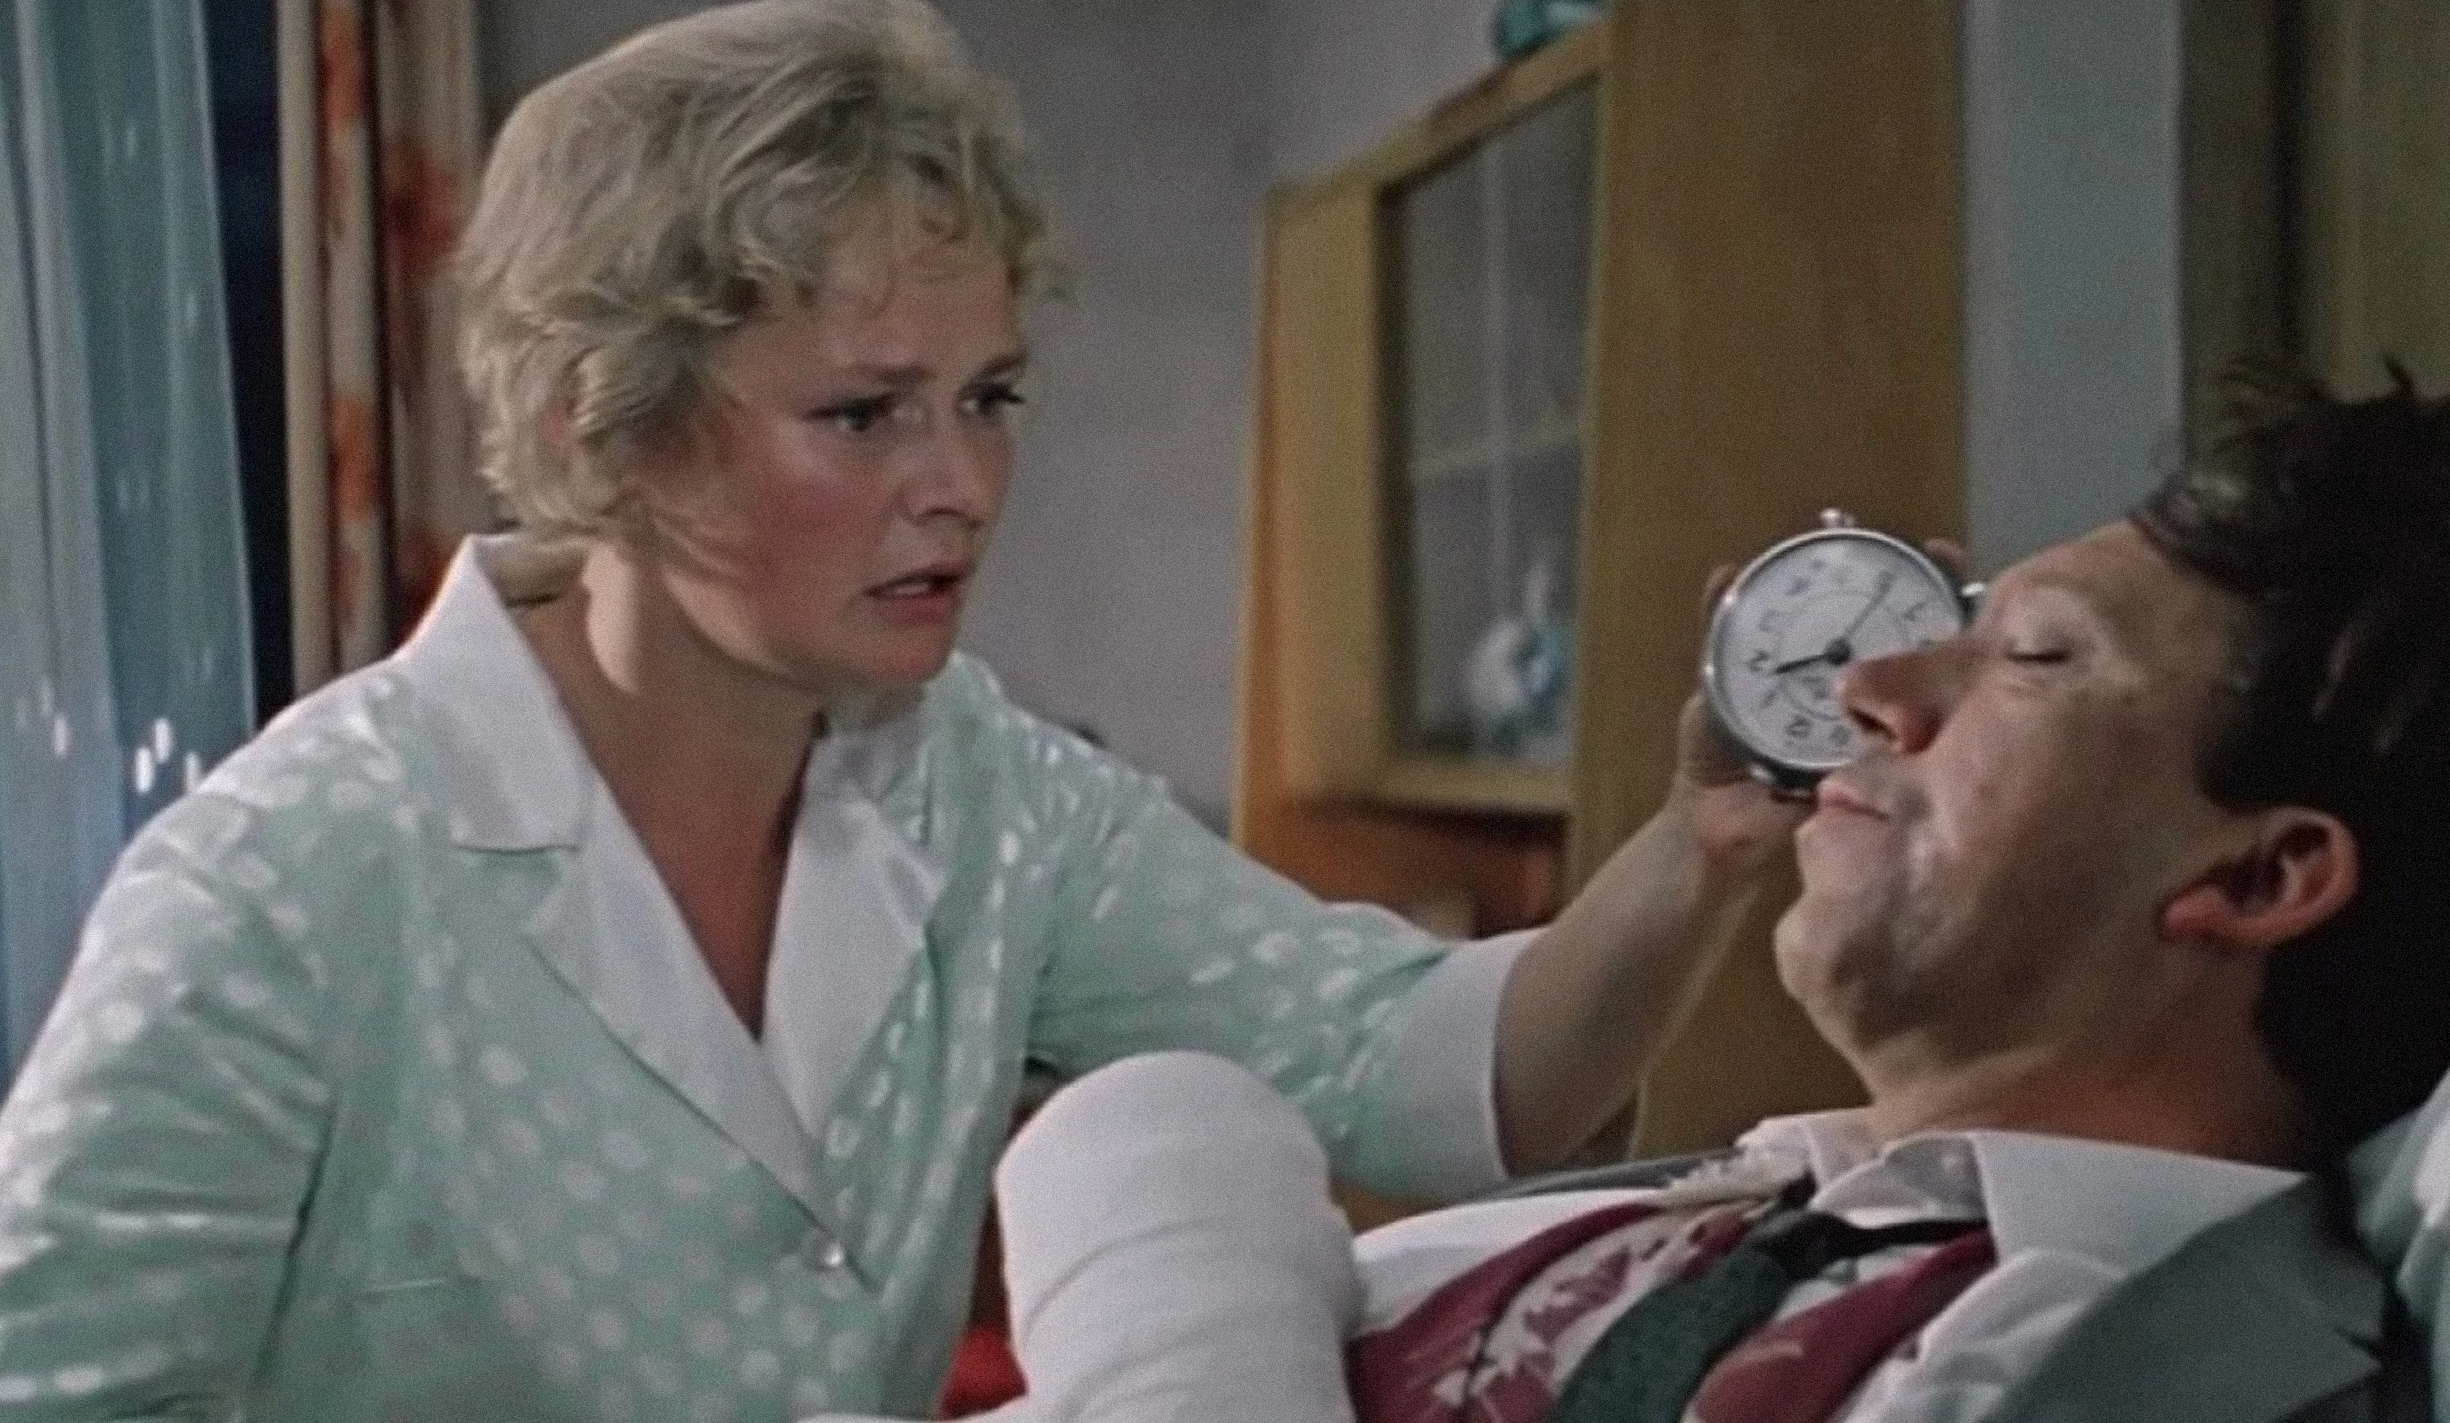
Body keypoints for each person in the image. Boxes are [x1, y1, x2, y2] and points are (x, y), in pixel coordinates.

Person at [0, 2, 1809, 1418]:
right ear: (598, 430)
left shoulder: (988, 797)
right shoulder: (281, 883)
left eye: (989, 396)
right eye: (862, 414)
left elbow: (1433, 1075)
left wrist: (1703, 843)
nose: (961, 486)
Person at [949, 368, 2450, 1423]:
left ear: (2258, 872)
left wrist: (1164, 1188)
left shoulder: (2132, 1362)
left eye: (2035, 656)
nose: (1865, 686)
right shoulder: (1722, 1205)